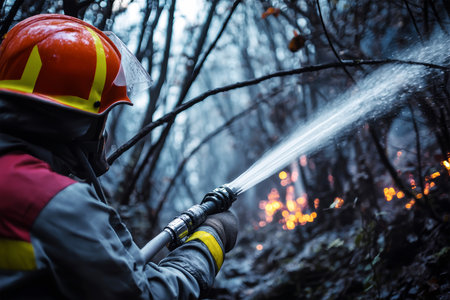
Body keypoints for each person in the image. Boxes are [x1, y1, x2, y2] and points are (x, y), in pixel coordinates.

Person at [0, 14, 237, 299]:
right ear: (79, 122)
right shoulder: (58, 205)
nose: (104, 134)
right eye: (103, 117)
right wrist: (210, 239)